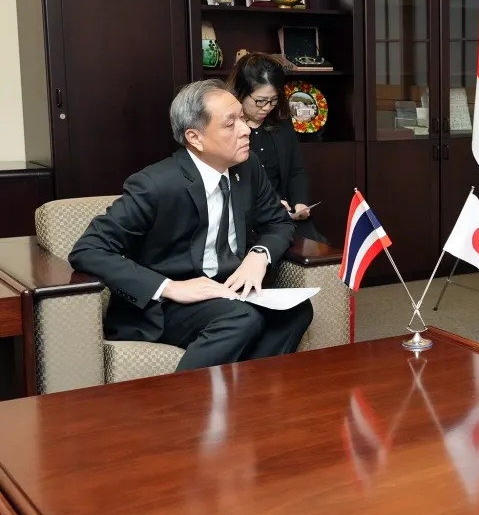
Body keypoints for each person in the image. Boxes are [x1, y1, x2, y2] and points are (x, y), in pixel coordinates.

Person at [68, 79, 313, 371]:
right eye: (230, 124)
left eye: (243, 120)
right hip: (167, 306)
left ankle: (245, 398)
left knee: (297, 310)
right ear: (195, 138)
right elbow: (88, 250)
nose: (246, 130)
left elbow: (278, 222)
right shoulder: (155, 185)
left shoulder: (247, 170)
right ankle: (183, 407)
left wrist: (259, 255)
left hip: (225, 291)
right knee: (241, 318)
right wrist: (170, 287)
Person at [228, 52, 326, 243]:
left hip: (285, 217)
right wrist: (267, 206)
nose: (267, 107)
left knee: (320, 252)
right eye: (260, 100)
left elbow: (295, 169)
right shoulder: (227, 128)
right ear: (240, 92)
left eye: (273, 100)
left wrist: (299, 203)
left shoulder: (280, 121)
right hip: (246, 222)